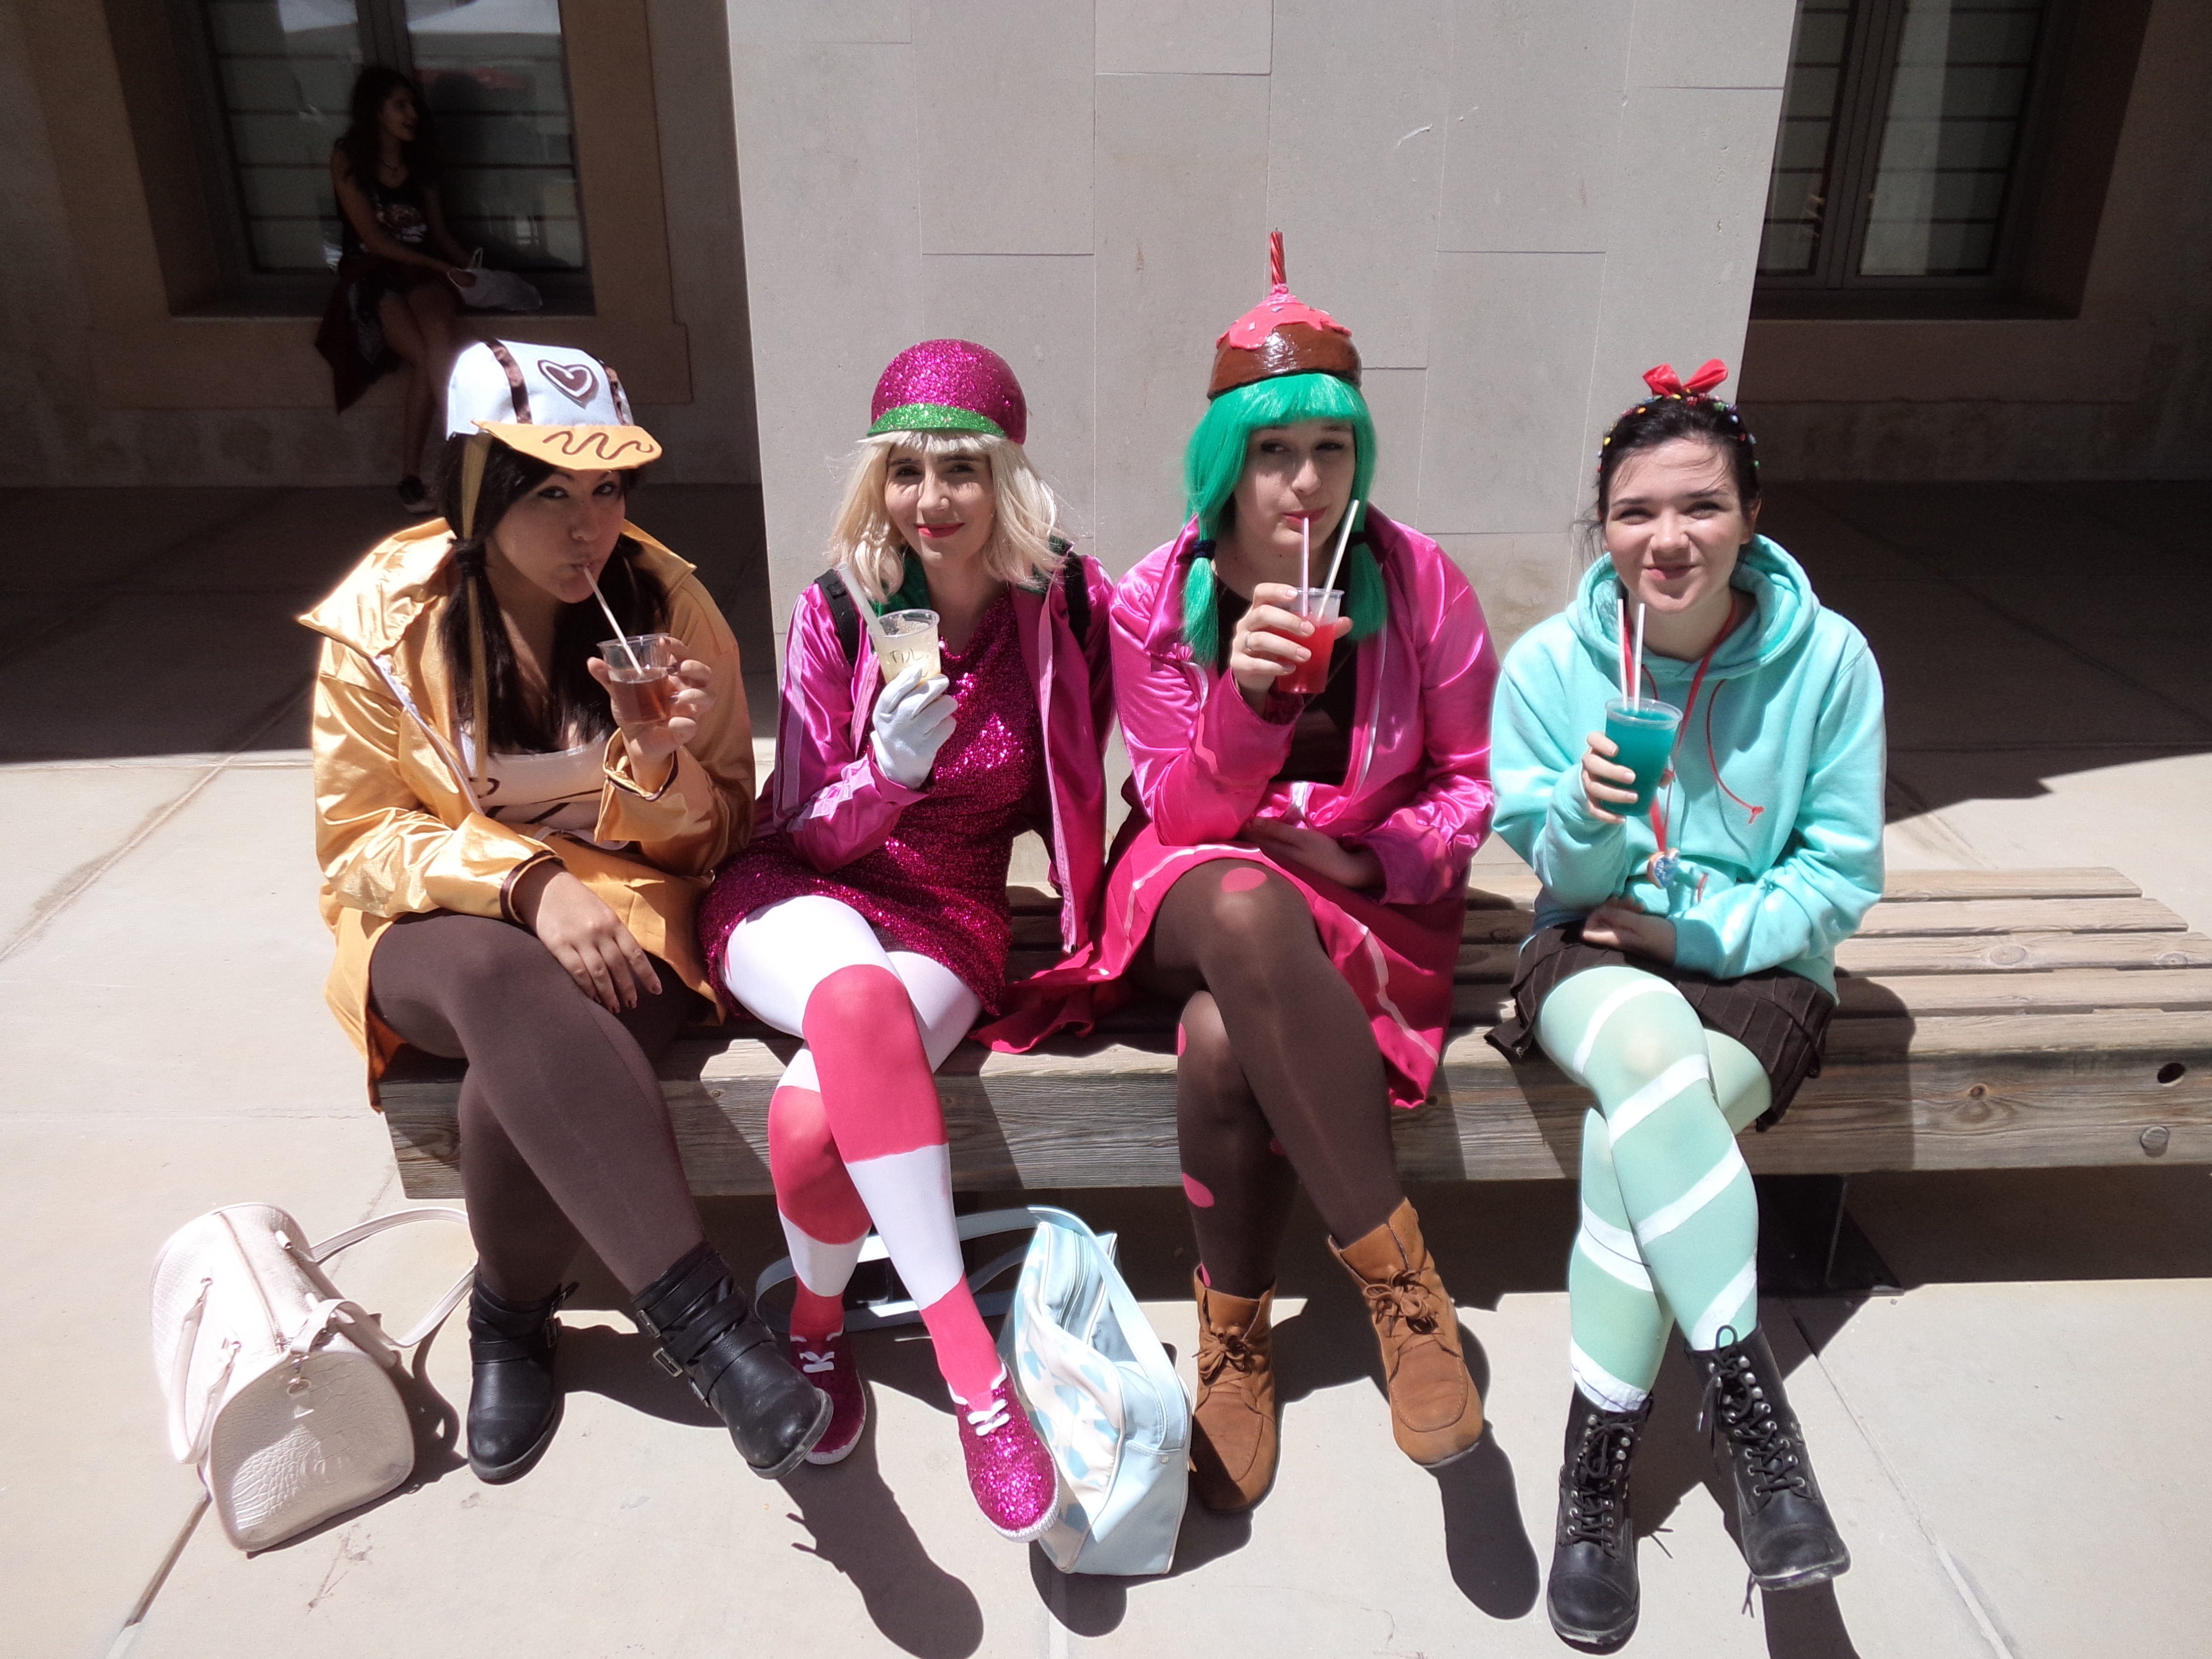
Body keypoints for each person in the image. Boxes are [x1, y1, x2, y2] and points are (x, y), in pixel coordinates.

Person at [991, 236, 1499, 1512]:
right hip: (1193, 882)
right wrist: (1252, 702)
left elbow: (1469, 779)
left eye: (1330, 448)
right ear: (1228, 459)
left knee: (1221, 1042)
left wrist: (1369, 851)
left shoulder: (1416, 580)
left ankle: (1233, 1331)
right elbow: (1176, 805)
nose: (1305, 481)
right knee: (1238, 896)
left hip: (1363, 893)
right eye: (1274, 451)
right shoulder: (1159, 594)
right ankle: (1404, 1288)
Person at [301, 339, 828, 1487]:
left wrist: (655, 763)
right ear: (475, 486)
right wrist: (529, 885)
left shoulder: (665, 604)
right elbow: (359, 842)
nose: (588, 525)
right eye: (548, 492)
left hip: (627, 909)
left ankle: (508, 1316)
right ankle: (715, 1340)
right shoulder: (387, 617)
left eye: (607, 488)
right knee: (501, 978)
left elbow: (722, 833)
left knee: (516, 1069)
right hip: (435, 926)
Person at [1488, 361, 1885, 1651]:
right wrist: (1585, 815)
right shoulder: (1550, 667)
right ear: (1601, 528)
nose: (1667, 538)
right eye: (1634, 512)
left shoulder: (1827, 662)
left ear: (1750, 514)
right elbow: (1560, 884)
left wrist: (1690, 930)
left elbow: (1837, 875)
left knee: (1634, 1136)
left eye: (1700, 505)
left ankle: (1592, 1471)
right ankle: (1751, 1413)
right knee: (1652, 1057)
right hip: (1591, 952)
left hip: (1760, 970)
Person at [696, 340, 1115, 1539]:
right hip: (801, 890)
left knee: (808, 1121)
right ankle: (975, 1377)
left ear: (1004, 478)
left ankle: (814, 1329)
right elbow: (798, 826)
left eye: (959, 469)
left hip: (949, 913)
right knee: (850, 996)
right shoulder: (839, 606)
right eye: (905, 470)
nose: (930, 499)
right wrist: (885, 771)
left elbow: (1125, 720)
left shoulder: (1057, 608)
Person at [317, 67, 478, 513]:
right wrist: (440, 265)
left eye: (413, 105)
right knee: (425, 358)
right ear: (376, 110)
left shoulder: (421, 161)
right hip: (375, 271)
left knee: (441, 344)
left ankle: (462, 462)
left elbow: (438, 233)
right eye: (399, 105)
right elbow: (373, 240)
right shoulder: (349, 158)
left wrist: (475, 270)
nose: (411, 115)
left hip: (424, 272)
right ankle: (421, 473)